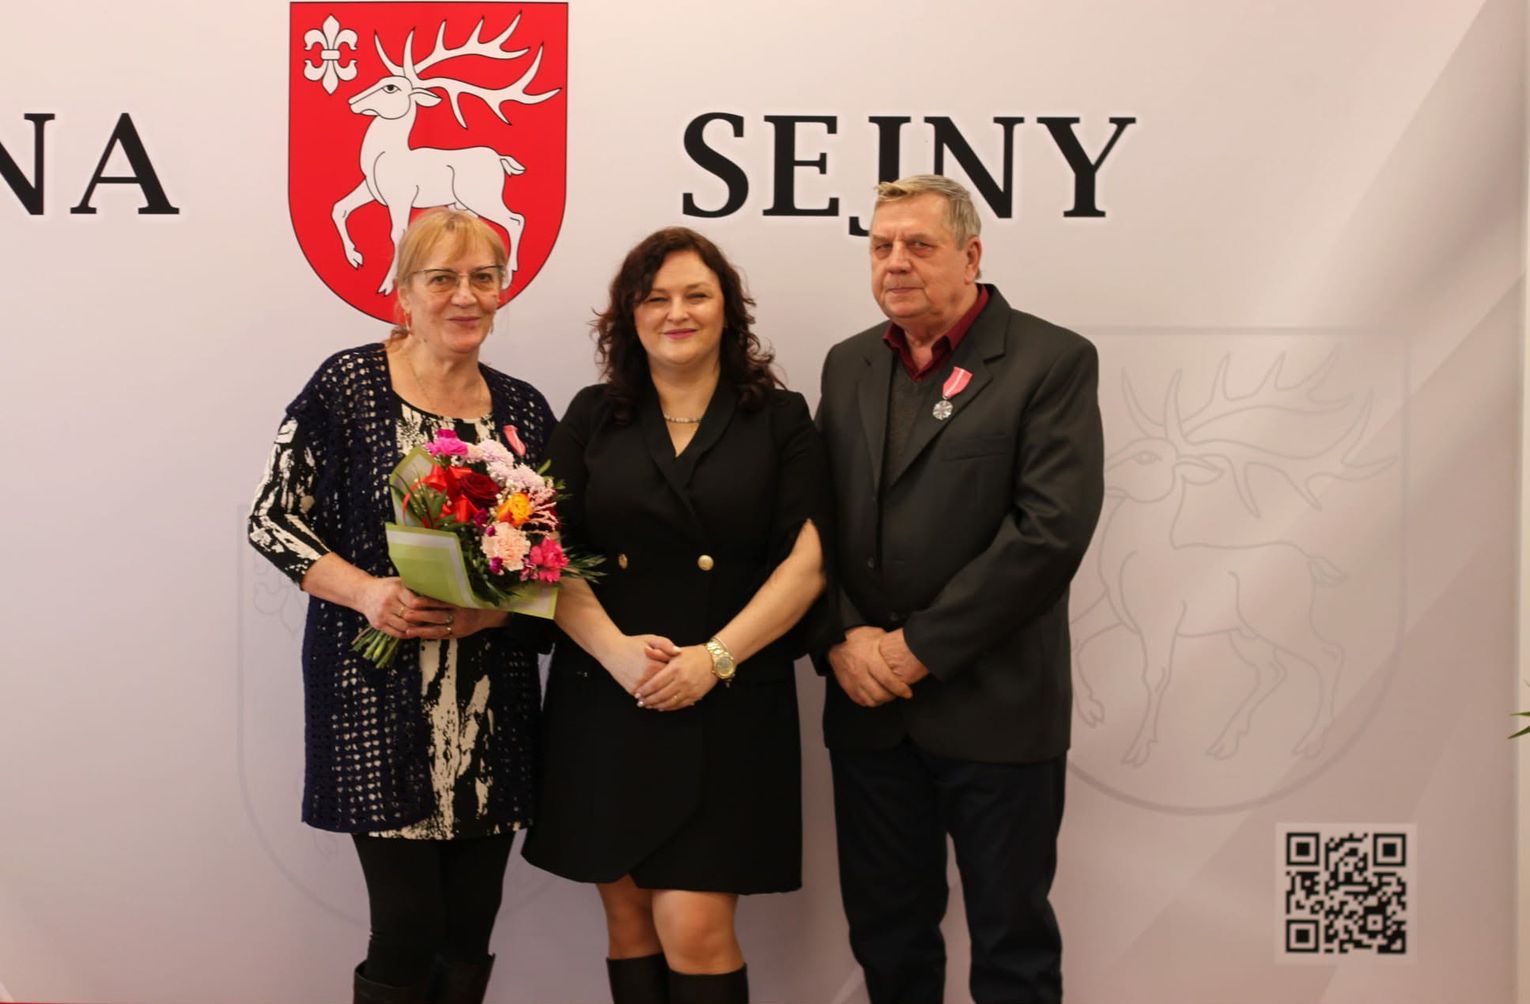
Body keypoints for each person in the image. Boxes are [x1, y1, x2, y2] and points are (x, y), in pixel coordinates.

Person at [248, 208, 555, 1004]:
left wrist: (496, 611)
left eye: (483, 277)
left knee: (471, 925)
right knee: (409, 925)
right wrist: (368, 592)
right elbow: (273, 520)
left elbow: (551, 562)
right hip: (373, 696)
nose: (466, 296)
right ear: (403, 295)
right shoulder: (348, 385)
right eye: (442, 278)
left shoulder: (523, 411)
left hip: (490, 704)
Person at [814, 174, 1104, 1004]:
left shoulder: (1051, 361)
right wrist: (841, 637)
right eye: (881, 246)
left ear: (971, 256)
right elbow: (814, 521)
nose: (895, 262)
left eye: (919, 245)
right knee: (888, 941)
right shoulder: (847, 363)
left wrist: (918, 648)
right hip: (870, 710)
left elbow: (1049, 534)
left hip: (996, 709)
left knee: (1013, 950)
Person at [521, 227, 831, 1004]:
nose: (676, 312)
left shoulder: (780, 417)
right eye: (655, 298)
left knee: (694, 929)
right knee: (630, 925)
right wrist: (616, 653)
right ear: (629, 315)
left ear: (729, 309)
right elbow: (542, 551)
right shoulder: (593, 415)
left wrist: (714, 659)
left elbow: (809, 561)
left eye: (696, 294)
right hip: (609, 695)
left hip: (730, 700)